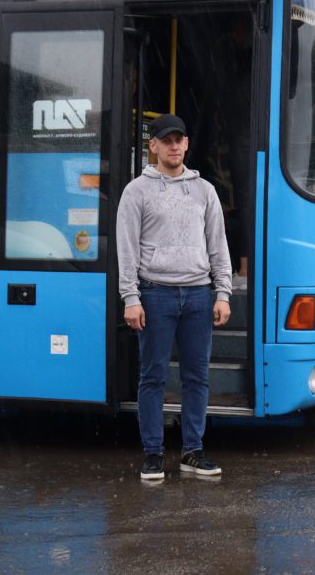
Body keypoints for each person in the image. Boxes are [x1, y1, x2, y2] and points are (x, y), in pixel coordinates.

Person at [116, 113, 232, 480]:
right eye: (167, 140)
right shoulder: (136, 191)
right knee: (152, 377)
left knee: (197, 378)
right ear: (153, 146)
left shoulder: (205, 191)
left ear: (186, 144)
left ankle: (192, 452)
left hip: (199, 294)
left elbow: (218, 245)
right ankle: (153, 454)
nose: (175, 146)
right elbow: (127, 249)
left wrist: (223, 292)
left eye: (180, 139)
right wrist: (130, 298)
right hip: (155, 295)